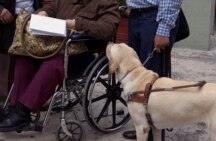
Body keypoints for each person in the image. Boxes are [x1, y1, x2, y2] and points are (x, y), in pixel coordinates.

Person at [0, 0, 120, 132]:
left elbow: (108, 29)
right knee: (25, 57)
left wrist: (76, 24)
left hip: (81, 53)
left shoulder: (106, 2)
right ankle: (15, 108)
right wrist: (42, 13)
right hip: (54, 47)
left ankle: (23, 111)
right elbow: (50, 8)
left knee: (54, 63)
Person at [122, 0, 182, 140]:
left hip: (154, 18)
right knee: (138, 82)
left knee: (152, 85)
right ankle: (143, 129)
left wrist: (164, 29)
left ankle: (152, 135)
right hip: (136, 15)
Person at [0, 0, 42, 102]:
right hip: (6, 20)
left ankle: (23, 105)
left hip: (32, 20)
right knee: (5, 66)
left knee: (27, 65)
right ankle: (3, 105)